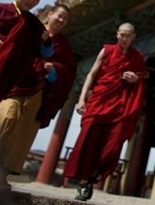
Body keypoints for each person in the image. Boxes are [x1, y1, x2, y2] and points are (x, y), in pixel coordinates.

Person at [63, 22, 147, 202]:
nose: (124, 39)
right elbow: (92, 74)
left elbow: (144, 76)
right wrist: (82, 99)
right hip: (98, 102)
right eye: (122, 35)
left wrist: (135, 78)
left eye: (128, 35)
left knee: (112, 147)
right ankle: (84, 182)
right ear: (117, 34)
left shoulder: (137, 57)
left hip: (119, 107)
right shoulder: (107, 51)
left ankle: (93, 178)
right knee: (88, 143)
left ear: (133, 37)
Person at [0, 4, 77, 177]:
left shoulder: (64, 46)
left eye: (65, 19)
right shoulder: (31, 29)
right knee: (6, 116)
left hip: (40, 90)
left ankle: (3, 172)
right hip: (18, 83)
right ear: (50, 14)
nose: (61, 20)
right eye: (60, 15)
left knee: (24, 129)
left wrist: (54, 71)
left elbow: (68, 72)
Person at [0, 0, 52, 105]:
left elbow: (47, 52)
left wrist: (46, 41)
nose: (32, 1)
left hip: (7, 76)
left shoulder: (34, 23)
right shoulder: (1, 9)